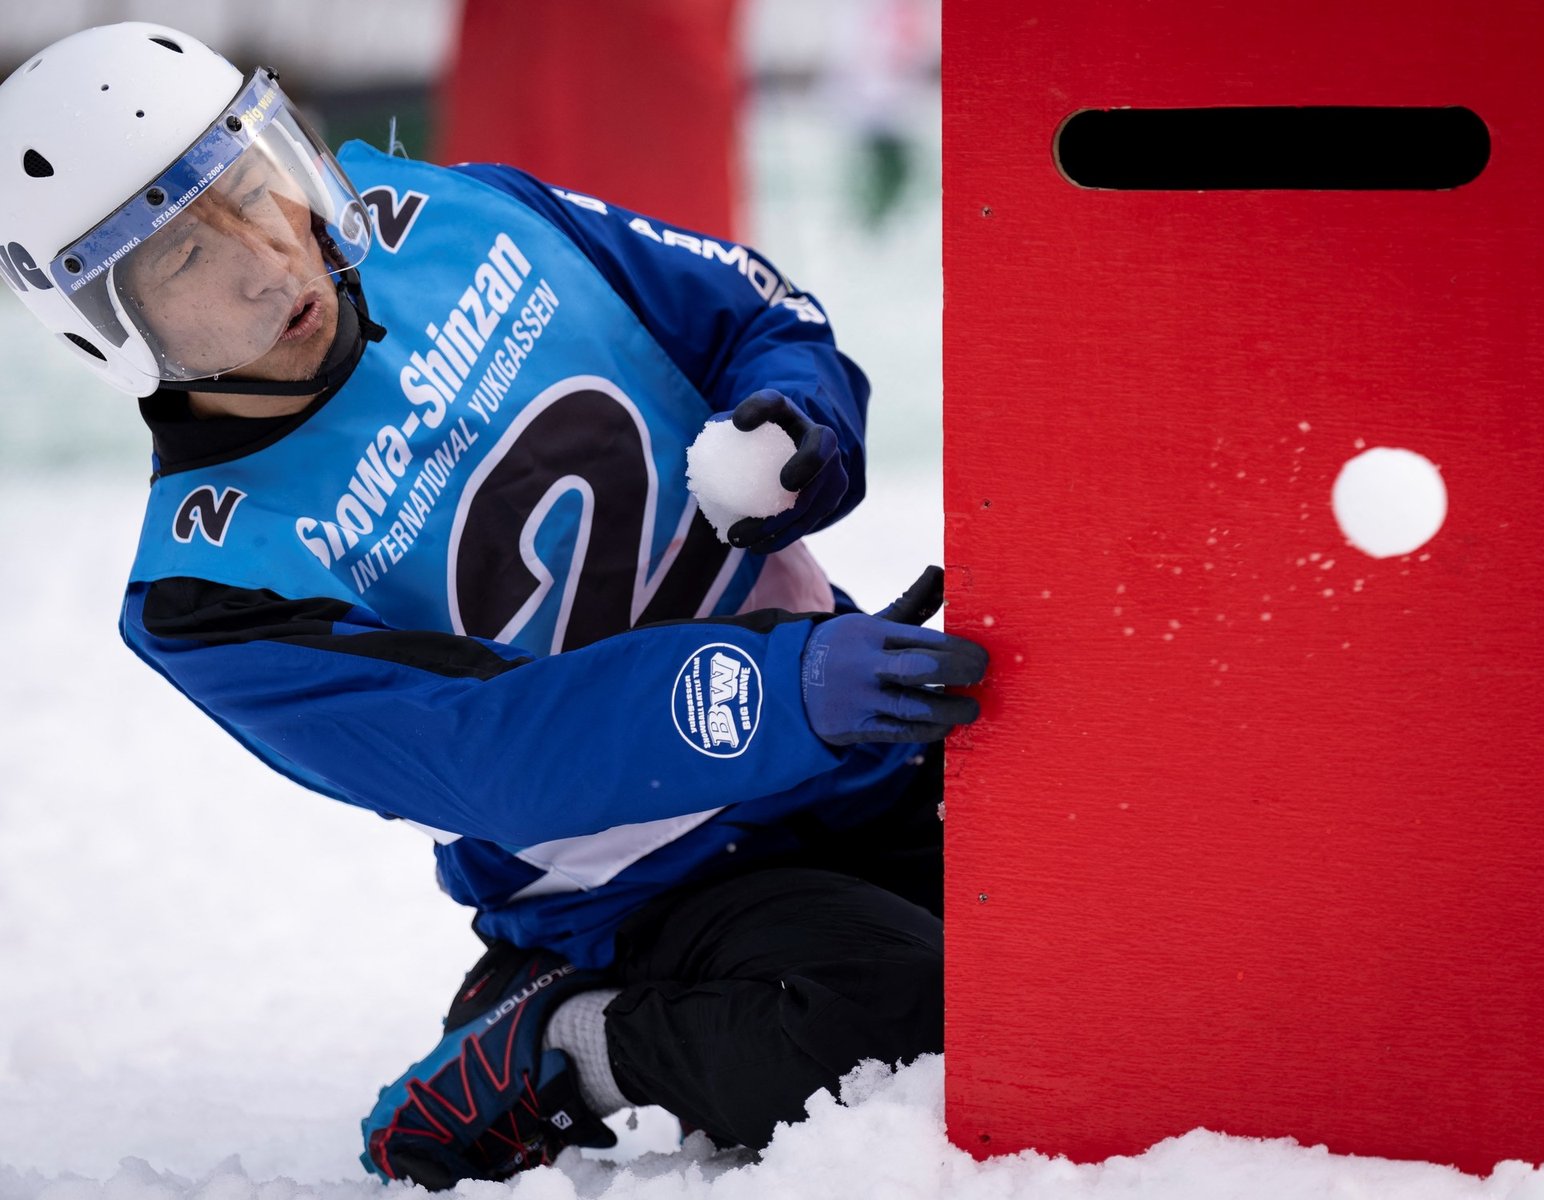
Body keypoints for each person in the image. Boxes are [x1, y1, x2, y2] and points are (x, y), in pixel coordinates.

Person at [0, 22, 987, 1189]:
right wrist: (779, 690)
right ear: (104, 332)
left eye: (255, 187)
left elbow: (752, 316)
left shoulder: (460, 212)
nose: (268, 260)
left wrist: (796, 430)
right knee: (903, 1013)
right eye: (180, 262)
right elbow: (493, 751)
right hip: (653, 883)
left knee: (1108, 867)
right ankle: (561, 1049)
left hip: (851, 736)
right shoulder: (209, 591)